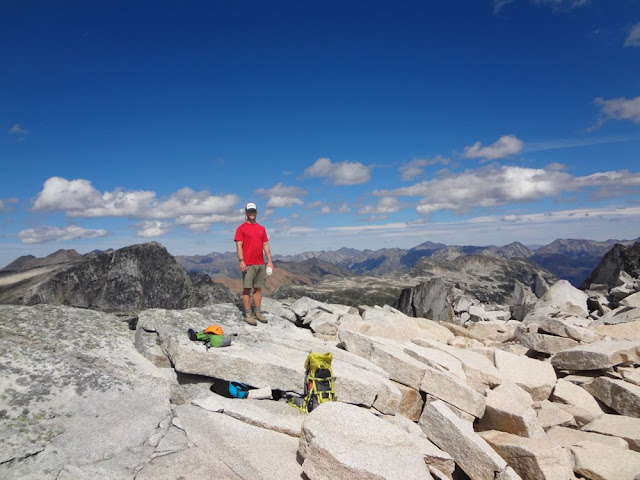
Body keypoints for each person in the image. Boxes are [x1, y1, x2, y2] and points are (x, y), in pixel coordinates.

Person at [234, 202, 273, 325]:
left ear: (256, 213)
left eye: (253, 211)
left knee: (258, 289)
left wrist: (269, 261)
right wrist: (241, 261)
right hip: (248, 263)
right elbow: (239, 245)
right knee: (247, 289)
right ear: (246, 213)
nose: (251, 213)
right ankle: (248, 314)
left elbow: (265, 245)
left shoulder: (261, 229)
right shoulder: (241, 228)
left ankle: (258, 312)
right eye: (249, 211)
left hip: (260, 263)